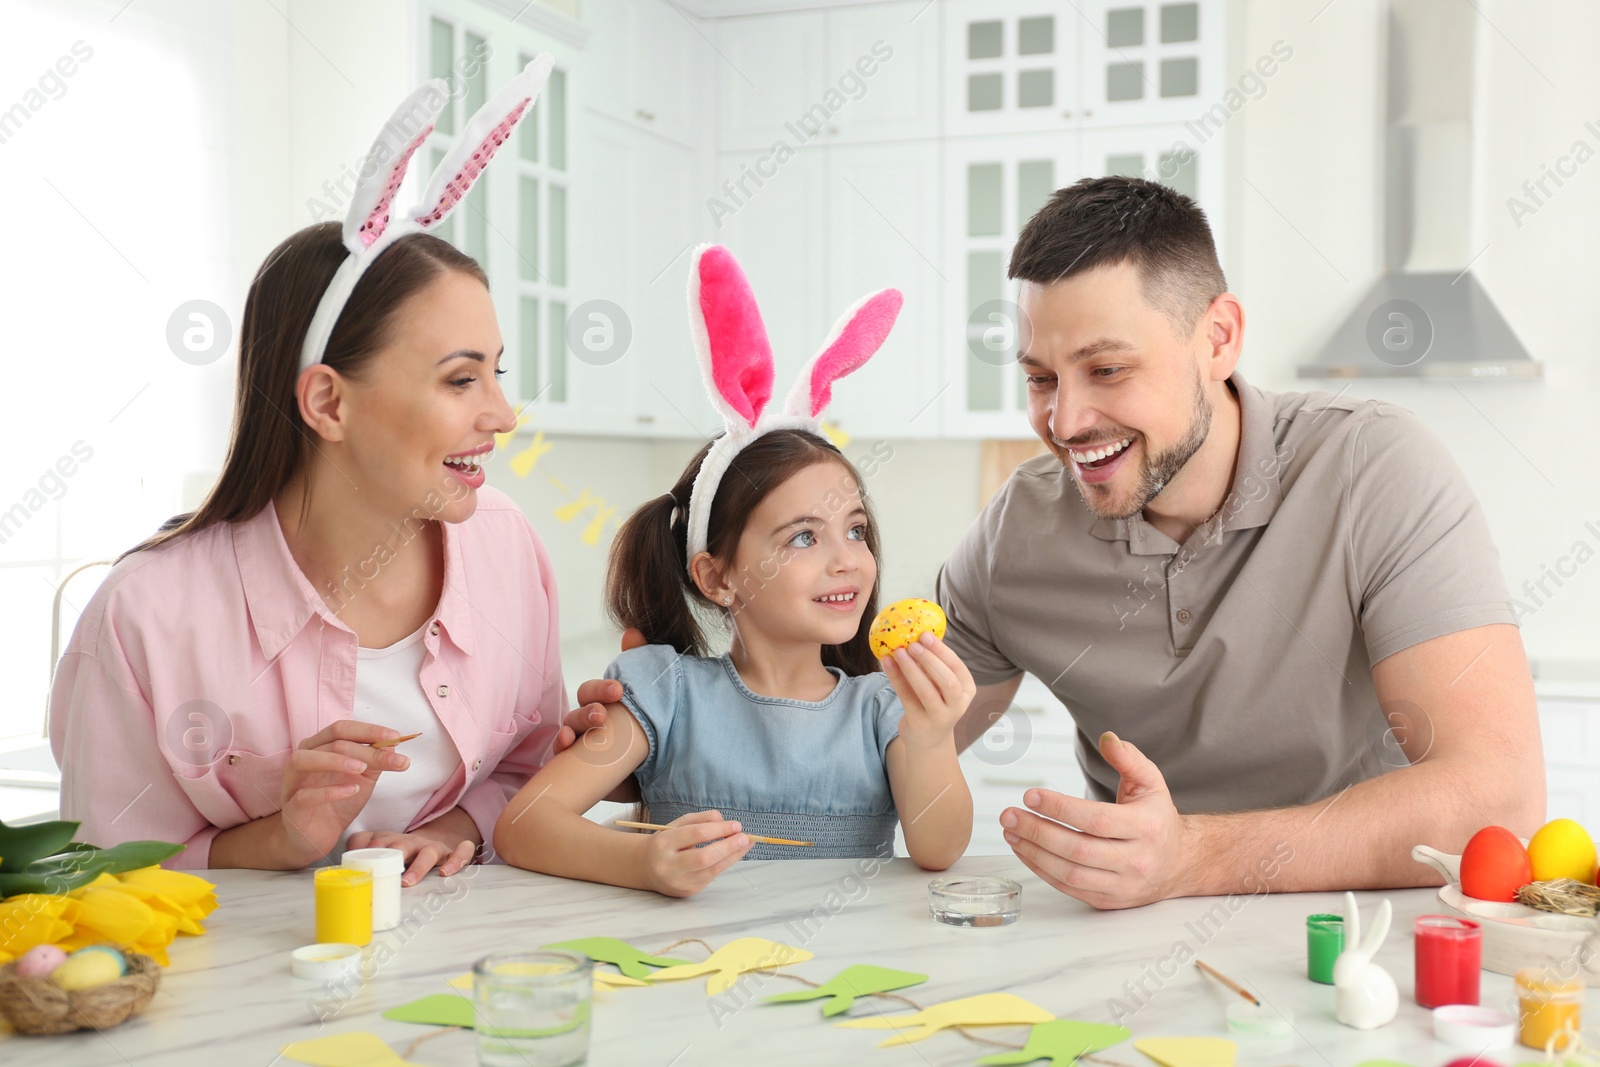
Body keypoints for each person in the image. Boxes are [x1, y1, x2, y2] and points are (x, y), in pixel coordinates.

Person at [563, 178, 1543, 910]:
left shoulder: (1374, 471)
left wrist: (1190, 854)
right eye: (1038, 377)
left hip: (1370, 931)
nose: (1065, 419)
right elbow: (886, 749)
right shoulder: (1017, 536)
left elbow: (1495, 795)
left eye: (1105, 368)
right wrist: (657, 740)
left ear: (1219, 337)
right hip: (1126, 939)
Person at [50, 61, 572, 885]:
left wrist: (464, 826)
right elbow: (104, 871)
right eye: (461, 378)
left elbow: (533, 765)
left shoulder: (504, 544)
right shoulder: (145, 617)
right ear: (327, 402)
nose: (504, 414)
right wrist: (282, 836)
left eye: (498, 373)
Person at [493, 246, 973, 897]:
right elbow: (523, 823)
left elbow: (939, 848)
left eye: (855, 528)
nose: (848, 558)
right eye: (803, 535)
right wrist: (643, 861)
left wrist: (934, 734)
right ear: (717, 577)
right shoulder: (663, 693)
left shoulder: (883, 708)